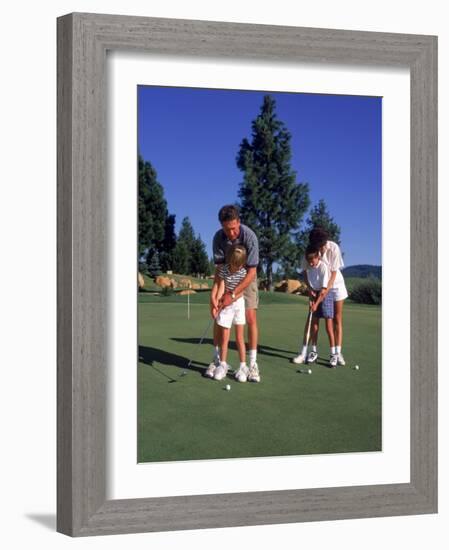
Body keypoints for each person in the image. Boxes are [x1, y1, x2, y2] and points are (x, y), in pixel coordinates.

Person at [209, 205, 261, 382]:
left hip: (247, 276)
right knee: (219, 319)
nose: (230, 233)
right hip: (226, 277)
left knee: (250, 317)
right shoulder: (218, 237)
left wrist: (232, 295)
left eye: (233, 228)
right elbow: (219, 271)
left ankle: (252, 365)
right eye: (226, 229)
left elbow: (252, 272)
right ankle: (217, 361)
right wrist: (214, 297)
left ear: (239, 222)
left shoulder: (249, 236)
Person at [205, 245, 249, 381]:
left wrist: (232, 297)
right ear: (230, 260)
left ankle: (243, 367)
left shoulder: (243, 272)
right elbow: (221, 286)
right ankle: (222, 365)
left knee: (240, 337)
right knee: (224, 337)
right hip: (226, 304)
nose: (237, 268)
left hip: (238, 303)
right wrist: (218, 302)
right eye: (235, 265)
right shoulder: (224, 270)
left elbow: (242, 290)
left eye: (240, 265)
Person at [292, 245, 338, 367]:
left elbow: (324, 290)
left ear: (318, 257)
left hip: (326, 294)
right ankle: (314, 351)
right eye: (309, 261)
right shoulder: (308, 266)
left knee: (328, 326)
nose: (311, 264)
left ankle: (334, 354)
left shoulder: (323, 267)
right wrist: (310, 291)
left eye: (313, 261)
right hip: (315, 292)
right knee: (314, 325)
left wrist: (316, 304)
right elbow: (306, 277)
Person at [308, 228, 348, 365]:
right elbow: (308, 270)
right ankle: (314, 351)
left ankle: (337, 353)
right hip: (322, 287)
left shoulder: (334, 248)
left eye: (324, 243)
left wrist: (326, 290)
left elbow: (334, 273)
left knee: (337, 319)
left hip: (336, 286)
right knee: (319, 320)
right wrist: (317, 290)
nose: (324, 246)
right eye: (321, 245)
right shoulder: (313, 251)